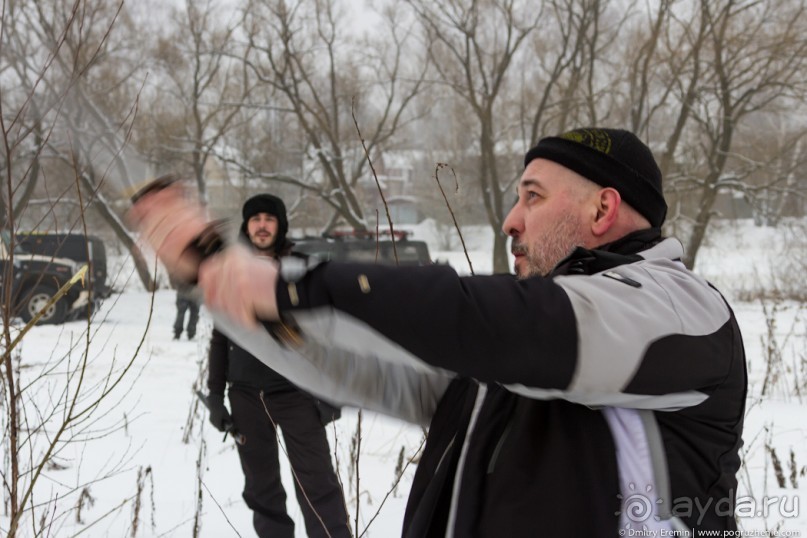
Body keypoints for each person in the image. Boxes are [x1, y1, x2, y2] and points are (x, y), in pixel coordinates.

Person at [131, 128, 747, 536]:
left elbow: (532, 328)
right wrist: (225, 284)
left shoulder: (681, 310)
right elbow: (361, 367)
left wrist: (296, 285)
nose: (510, 220)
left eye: (532, 196)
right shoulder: (506, 349)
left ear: (602, 209)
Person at [204, 194, 350, 538]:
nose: (262, 225)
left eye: (270, 218)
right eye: (256, 219)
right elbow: (219, 339)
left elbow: (329, 335)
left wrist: (331, 394)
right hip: (245, 398)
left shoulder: (302, 268)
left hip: (298, 395)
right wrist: (214, 396)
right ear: (247, 225)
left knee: (318, 485)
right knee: (261, 490)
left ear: (280, 224)